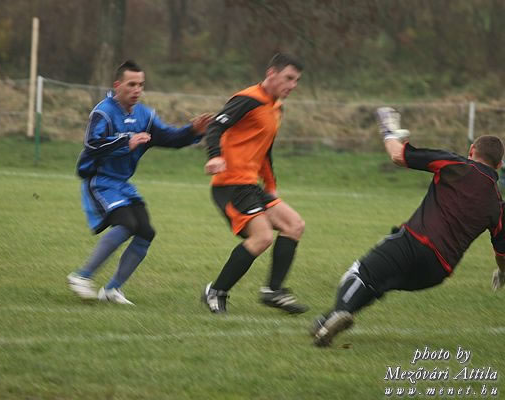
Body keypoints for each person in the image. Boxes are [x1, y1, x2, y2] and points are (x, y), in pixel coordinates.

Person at [311, 107, 505, 347]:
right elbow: (502, 253)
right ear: (499, 165)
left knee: (361, 273)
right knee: (379, 283)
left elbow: (398, 155)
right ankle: (326, 323)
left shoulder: (456, 164)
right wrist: (502, 273)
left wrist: (387, 131)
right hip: (438, 270)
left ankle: (339, 312)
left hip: (415, 242)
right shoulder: (497, 205)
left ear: (471, 150)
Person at [67, 60, 212, 304]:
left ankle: (112, 290)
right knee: (126, 224)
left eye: (141, 85)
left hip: (122, 183)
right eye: (131, 84)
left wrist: (192, 131)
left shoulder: (145, 115)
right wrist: (126, 142)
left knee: (145, 231)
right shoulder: (103, 112)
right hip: (99, 180)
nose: (137, 90)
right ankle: (82, 276)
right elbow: (92, 144)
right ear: (117, 85)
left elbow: (168, 137)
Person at [201, 53, 308, 314]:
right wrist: (214, 156)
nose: (293, 85)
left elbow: (264, 150)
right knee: (262, 237)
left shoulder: (276, 108)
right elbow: (215, 126)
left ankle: (273, 291)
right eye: (289, 78)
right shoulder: (248, 99)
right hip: (231, 184)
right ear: (272, 73)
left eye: (296, 80)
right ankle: (216, 291)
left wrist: (270, 185)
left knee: (294, 225)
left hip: (251, 184)